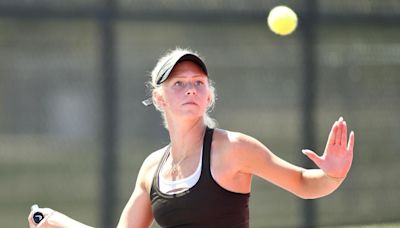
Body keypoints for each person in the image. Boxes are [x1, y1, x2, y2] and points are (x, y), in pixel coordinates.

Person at [28, 48, 355, 228]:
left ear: (209, 96)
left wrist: (332, 174)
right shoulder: (152, 168)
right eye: (178, 83)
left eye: (198, 82)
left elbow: (302, 183)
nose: (190, 89)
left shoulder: (234, 148)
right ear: (159, 98)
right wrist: (58, 222)